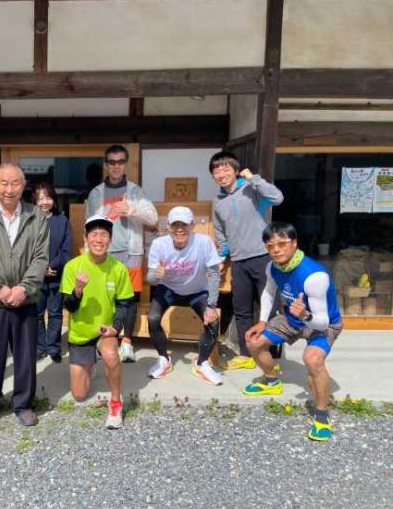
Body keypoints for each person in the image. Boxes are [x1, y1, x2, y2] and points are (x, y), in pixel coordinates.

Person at [243, 222, 343, 442]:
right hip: (292, 318)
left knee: (313, 360)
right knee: (254, 341)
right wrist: (262, 322)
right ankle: (272, 381)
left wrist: (305, 315)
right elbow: (269, 292)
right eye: (271, 246)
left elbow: (322, 322)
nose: (276, 250)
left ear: (295, 243)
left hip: (322, 322)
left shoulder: (314, 276)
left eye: (282, 244)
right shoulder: (273, 267)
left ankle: (322, 416)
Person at [0, 163, 49, 429]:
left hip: (25, 300)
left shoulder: (36, 217)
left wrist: (23, 288)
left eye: (15, 183)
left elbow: (40, 257)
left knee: (25, 358)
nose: (9, 189)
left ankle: (23, 404)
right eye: (3, 183)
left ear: (23, 186)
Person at [209, 150, 284, 370]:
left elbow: (277, 198)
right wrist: (221, 256)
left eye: (225, 169)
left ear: (235, 170)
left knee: (269, 309)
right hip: (238, 261)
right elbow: (220, 232)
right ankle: (246, 354)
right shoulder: (218, 201)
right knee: (241, 309)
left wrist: (254, 178)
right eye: (216, 171)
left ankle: (271, 356)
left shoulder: (252, 188)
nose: (221, 174)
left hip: (262, 257)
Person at [86, 144, 157, 362]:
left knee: (129, 298)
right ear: (106, 165)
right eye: (112, 162)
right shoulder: (96, 193)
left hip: (131, 252)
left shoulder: (135, 192)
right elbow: (88, 225)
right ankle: (107, 341)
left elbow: (153, 219)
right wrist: (88, 253)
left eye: (120, 162)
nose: (116, 166)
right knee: (104, 297)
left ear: (125, 164)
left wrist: (131, 209)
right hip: (103, 252)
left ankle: (126, 342)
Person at [60, 215, 133, 429]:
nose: (99, 239)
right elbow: (69, 307)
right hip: (80, 334)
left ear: (110, 240)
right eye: (94, 234)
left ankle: (116, 403)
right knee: (79, 395)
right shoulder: (72, 266)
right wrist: (78, 290)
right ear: (85, 238)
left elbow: (125, 304)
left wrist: (115, 328)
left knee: (111, 355)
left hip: (104, 331)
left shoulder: (118, 268)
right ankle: (90, 364)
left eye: (104, 235)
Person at [145, 206, 223, 385]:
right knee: (153, 318)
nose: (179, 229)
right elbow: (150, 279)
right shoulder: (159, 244)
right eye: (175, 225)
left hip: (197, 290)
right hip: (168, 289)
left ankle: (202, 362)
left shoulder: (203, 242)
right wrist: (156, 275)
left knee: (213, 321)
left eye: (184, 225)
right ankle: (163, 358)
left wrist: (211, 305)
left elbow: (213, 274)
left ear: (192, 225)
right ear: (168, 226)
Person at [34, 181, 72, 363]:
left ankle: (54, 348)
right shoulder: (29, 221)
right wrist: (41, 268)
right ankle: (40, 347)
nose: (44, 202)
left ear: (54, 200)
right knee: (37, 313)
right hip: (36, 276)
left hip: (56, 274)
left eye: (48, 198)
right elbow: (24, 250)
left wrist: (53, 266)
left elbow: (66, 249)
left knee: (56, 313)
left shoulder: (62, 221)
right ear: (35, 201)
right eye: (40, 198)